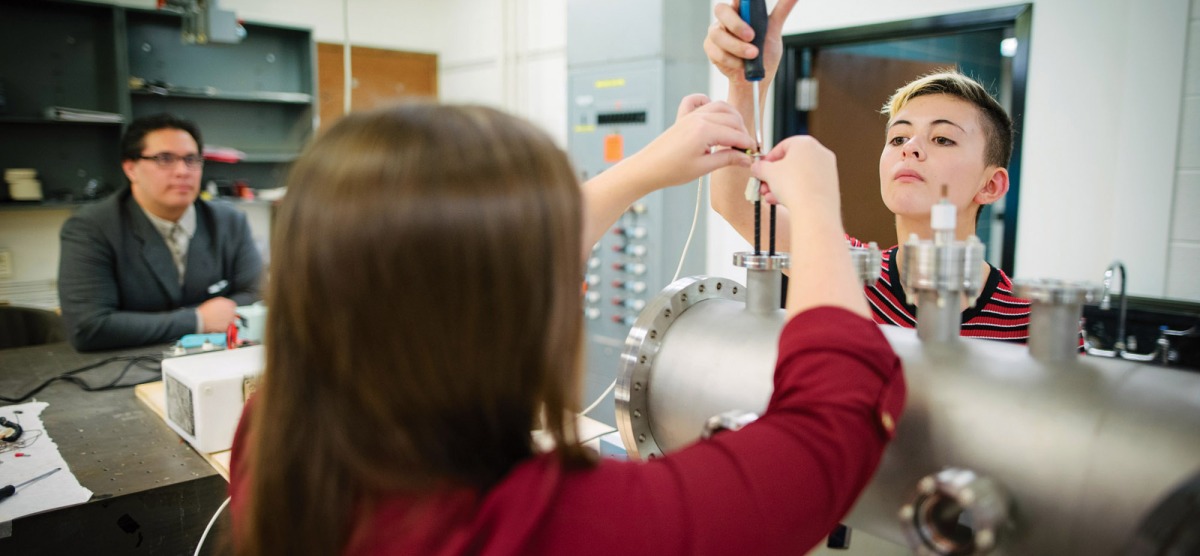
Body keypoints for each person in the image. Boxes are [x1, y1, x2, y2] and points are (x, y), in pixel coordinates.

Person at [228, 99, 906, 556]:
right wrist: (819, 213)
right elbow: (830, 421)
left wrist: (647, 168)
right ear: (500, 318)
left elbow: (474, 257)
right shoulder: (559, 525)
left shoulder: (278, 435)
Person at [705, 0, 1031, 343]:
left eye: (942, 139)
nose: (910, 148)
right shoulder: (849, 272)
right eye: (898, 137)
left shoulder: (1030, 321)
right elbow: (735, 199)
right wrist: (747, 83)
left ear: (992, 185)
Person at [57, 114, 263, 352]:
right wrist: (197, 319)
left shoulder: (229, 222)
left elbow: (255, 295)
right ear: (131, 168)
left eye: (191, 159)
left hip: (215, 359)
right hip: (123, 366)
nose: (182, 171)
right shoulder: (91, 228)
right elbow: (89, 327)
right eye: (164, 159)